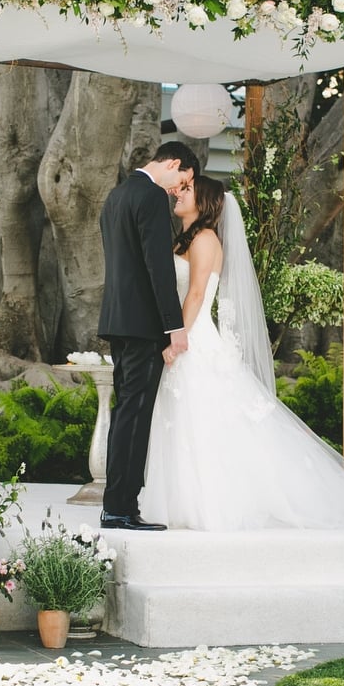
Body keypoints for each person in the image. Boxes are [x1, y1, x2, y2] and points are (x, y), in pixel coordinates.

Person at [140, 174, 344, 532]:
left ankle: (209, 502)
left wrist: (178, 338)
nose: (178, 194)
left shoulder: (204, 239)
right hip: (187, 335)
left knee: (201, 419)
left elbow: (197, 295)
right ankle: (181, 501)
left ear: (203, 202)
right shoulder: (184, 240)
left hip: (194, 337)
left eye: (186, 190)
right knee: (186, 419)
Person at [97, 140, 200, 531]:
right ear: (172, 163)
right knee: (134, 416)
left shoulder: (117, 195)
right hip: (143, 326)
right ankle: (121, 508)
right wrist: (174, 327)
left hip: (118, 320)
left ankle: (117, 505)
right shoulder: (153, 197)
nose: (178, 190)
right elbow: (159, 268)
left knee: (126, 413)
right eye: (182, 180)